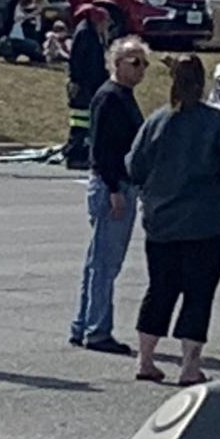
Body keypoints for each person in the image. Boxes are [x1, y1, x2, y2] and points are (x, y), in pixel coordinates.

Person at [126, 56, 220, 386]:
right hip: (208, 223)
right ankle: (189, 366)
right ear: (203, 84)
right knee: (199, 293)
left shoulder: (156, 121)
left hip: (161, 221)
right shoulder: (219, 125)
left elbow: (134, 166)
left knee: (160, 288)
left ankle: (146, 359)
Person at [69, 36, 148, 355]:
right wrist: (115, 188)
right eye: (135, 62)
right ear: (116, 63)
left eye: (144, 63)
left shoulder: (124, 96)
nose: (141, 69)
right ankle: (97, 329)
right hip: (111, 186)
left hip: (118, 184)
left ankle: (83, 323)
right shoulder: (109, 97)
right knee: (105, 263)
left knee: (98, 261)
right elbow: (102, 149)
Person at [64, 5, 111, 169]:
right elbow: (77, 60)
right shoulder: (85, 34)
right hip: (83, 87)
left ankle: (82, 154)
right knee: (80, 123)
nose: (107, 25)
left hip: (90, 86)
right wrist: (75, 81)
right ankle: (74, 156)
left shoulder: (92, 33)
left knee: (87, 122)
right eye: (105, 21)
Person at [0, 0, 47, 64]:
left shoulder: (27, 4)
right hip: (13, 34)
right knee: (33, 45)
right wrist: (31, 14)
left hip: (23, 33)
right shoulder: (12, 4)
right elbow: (12, 19)